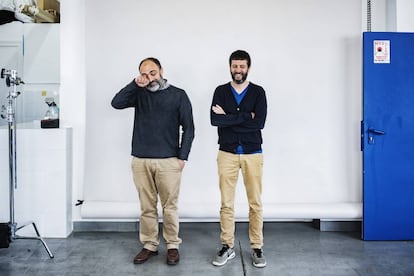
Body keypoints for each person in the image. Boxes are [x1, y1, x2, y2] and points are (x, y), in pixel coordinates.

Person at [111, 57, 195, 265]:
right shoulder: (138, 93)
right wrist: (134, 84)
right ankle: (149, 245)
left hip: (169, 161)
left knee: (169, 207)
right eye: (145, 74)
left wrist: (182, 157)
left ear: (161, 71)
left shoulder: (178, 95)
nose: (150, 78)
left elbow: (189, 128)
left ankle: (172, 245)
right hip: (141, 159)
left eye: (153, 73)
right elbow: (116, 103)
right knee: (147, 207)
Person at [210, 50, 267, 268]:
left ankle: (257, 246)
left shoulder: (258, 92)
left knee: (255, 203)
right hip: (227, 153)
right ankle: (227, 246)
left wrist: (229, 118)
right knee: (226, 203)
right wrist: (245, 116)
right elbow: (215, 120)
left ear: (248, 68)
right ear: (230, 67)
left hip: (253, 153)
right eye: (235, 66)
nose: (238, 70)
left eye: (242, 66)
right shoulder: (220, 91)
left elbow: (259, 122)